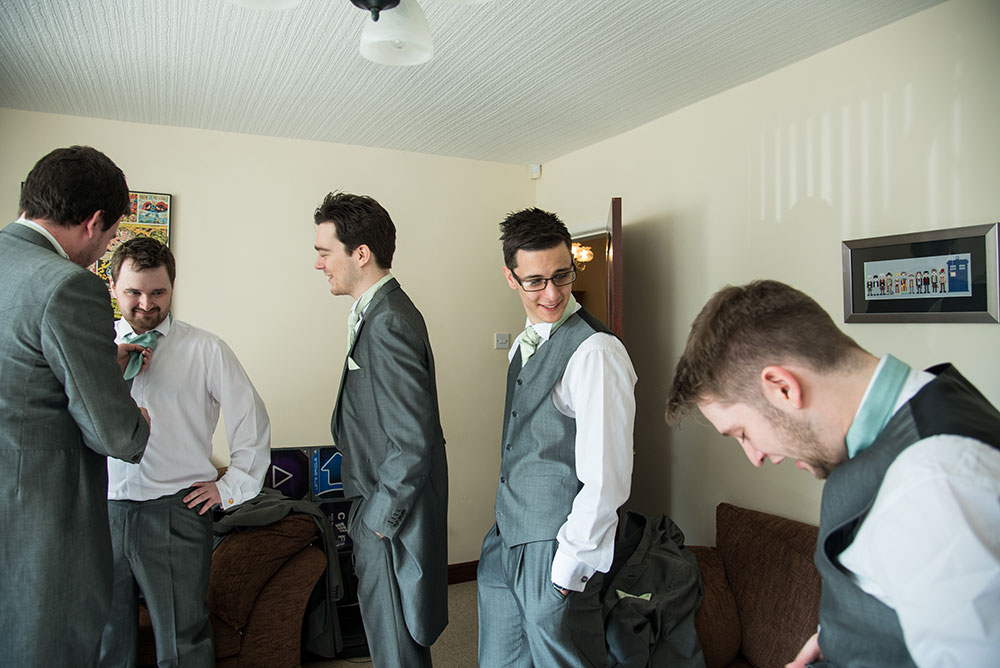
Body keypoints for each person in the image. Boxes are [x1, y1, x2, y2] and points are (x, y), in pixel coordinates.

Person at [664, 279, 1000, 667]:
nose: (755, 456)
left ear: (783, 388)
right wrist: (842, 638)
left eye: (743, 433)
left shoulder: (939, 483)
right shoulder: (914, 414)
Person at [0, 146, 151, 667]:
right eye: (110, 239)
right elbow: (115, 434)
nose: (103, 251)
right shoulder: (68, 286)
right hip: (37, 533)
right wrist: (137, 420)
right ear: (93, 223)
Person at [98, 237, 271, 667]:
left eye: (158, 292)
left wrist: (230, 487)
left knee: (184, 639)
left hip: (174, 510)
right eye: (133, 292)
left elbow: (251, 419)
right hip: (98, 510)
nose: (145, 304)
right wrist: (107, 374)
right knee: (104, 637)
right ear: (112, 286)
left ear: (173, 287)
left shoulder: (205, 349)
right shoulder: (90, 351)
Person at [477, 208, 637, 668]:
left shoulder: (596, 351)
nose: (551, 293)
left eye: (562, 275)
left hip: (556, 548)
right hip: (507, 538)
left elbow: (608, 476)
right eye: (535, 281)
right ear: (510, 277)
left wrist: (567, 570)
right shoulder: (523, 344)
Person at [313, 192, 448, 668]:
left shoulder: (389, 319)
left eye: (325, 251)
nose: (319, 264)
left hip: (388, 515)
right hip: (377, 502)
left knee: (395, 643)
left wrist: (377, 523)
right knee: (391, 636)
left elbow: (412, 440)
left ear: (361, 254)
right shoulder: (380, 311)